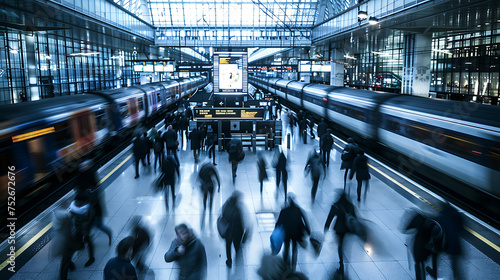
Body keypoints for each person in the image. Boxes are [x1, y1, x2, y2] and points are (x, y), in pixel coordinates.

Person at [427, 202, 464, 279]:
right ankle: (457, 277)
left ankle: (434, 272)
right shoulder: (458, 215)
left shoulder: (442, 216)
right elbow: (461, 229)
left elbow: (436, 225)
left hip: (445, 243)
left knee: (435, 253)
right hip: (455, 244)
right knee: (455, 263)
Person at [275, 193, 311, 271]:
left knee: (286, 247)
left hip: (287, 233)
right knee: (294, 249)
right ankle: (293, 266)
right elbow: (304, 220)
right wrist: (308, 230)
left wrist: (276, 230)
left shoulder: (284, 210)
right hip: (296, 233)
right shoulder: (298, 210)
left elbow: (279, 222)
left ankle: (285, 263)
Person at [324, 192, 356, 276]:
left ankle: (341, 262)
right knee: (343, 244)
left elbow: (330, 217)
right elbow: (355, 218)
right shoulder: (350, 206)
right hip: (347, 229)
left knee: (340, 245)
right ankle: (343, 255)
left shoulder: (336, 205)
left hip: (339, 229)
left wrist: (326, 226)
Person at [221, 191, 252, 268]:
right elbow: (245, 222)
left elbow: (222, 216)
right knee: (237, 245)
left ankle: (229, 260)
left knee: (228, 246)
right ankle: (237, 257)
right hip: (238, 232)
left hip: (228, 231)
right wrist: (246, 233)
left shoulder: (226, 206)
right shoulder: (239, 209)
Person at [402, 210, 435, 280]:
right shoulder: (432, 219)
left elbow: (405, 229)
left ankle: (419, 278)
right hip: (428, 245)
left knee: (418, 262)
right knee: (423, 261)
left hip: (419, 245)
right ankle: (427, 274)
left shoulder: (418, 217)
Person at [69, 191, 95, 267]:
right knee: (76, 245)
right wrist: (73, 230)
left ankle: (91, 258)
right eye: (76, 201)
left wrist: (84, 231)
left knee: (88, 242)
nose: (76, 203)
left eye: (78, 201)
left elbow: (89, 221)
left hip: (85, 230)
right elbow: (70, 217)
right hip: (78, 229)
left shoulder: (90, 209)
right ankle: (69, 261)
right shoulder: (75, 207)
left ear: (84, 202)